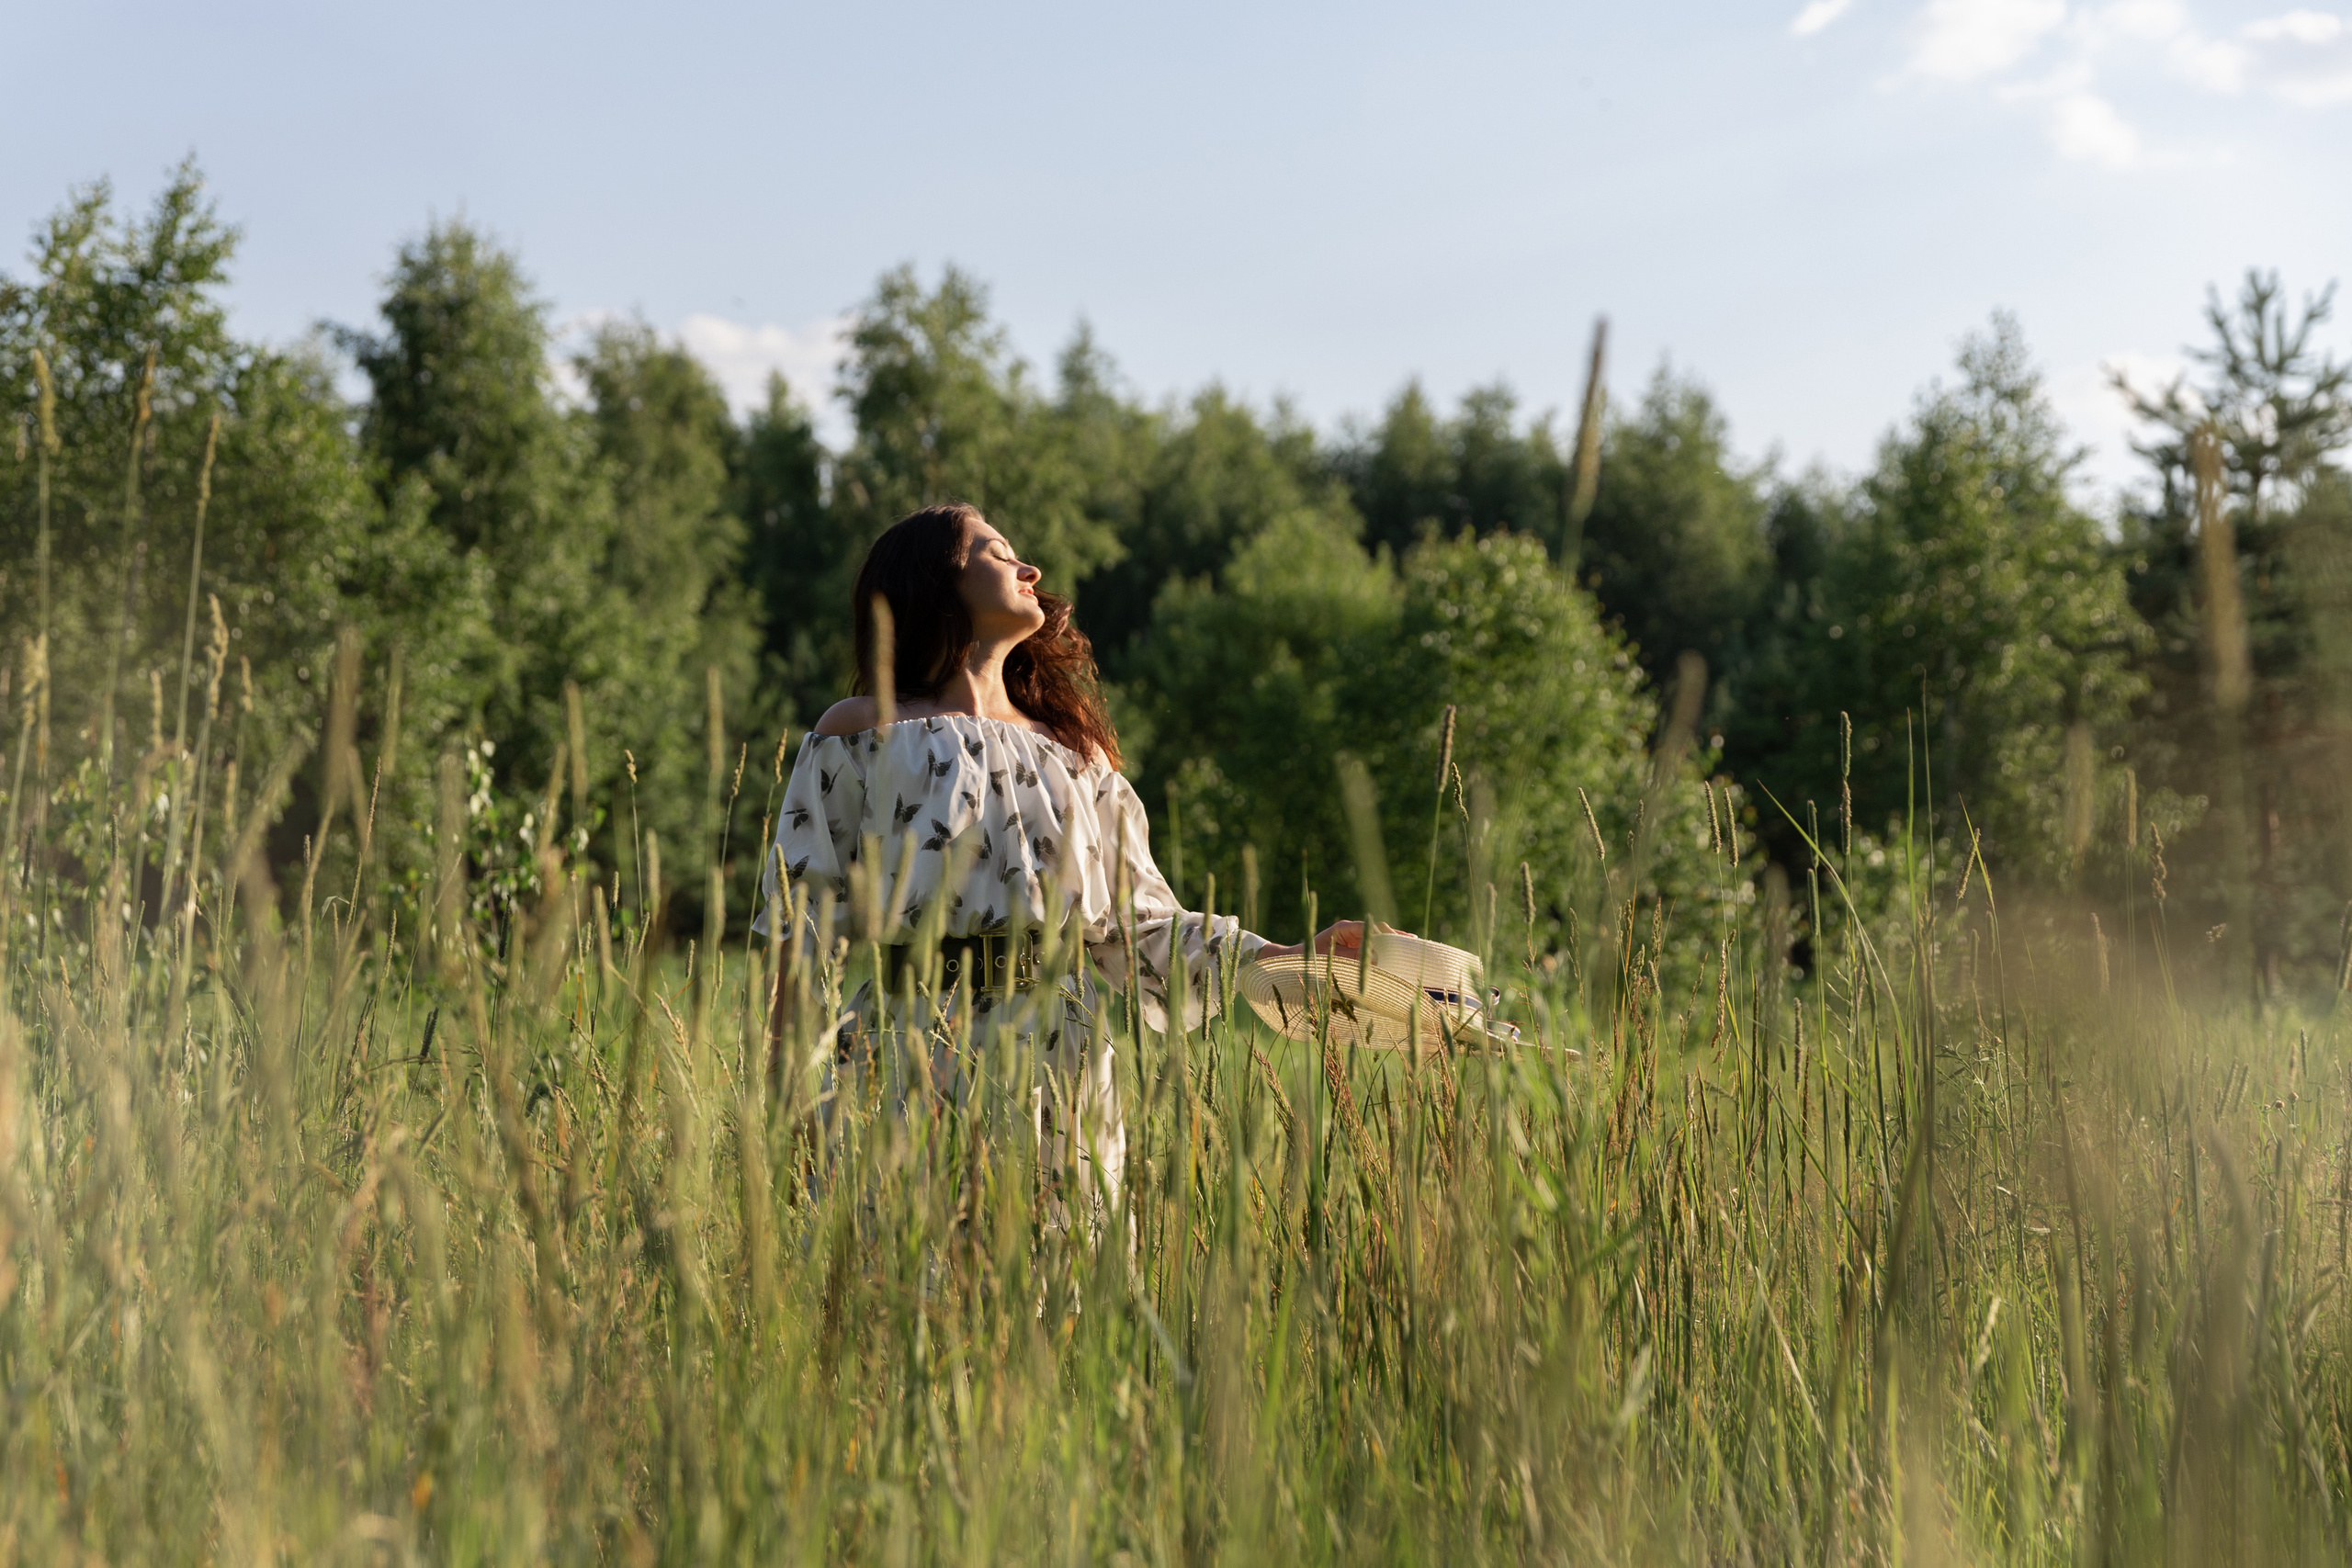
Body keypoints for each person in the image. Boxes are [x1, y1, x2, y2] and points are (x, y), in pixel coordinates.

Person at [758, 502, 1359, 1229]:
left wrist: (1290, 957)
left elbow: (1141, 928)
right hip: (905, 1049)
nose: (1029, 570)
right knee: (900, 1296)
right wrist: (784, 1106)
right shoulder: (860, 731)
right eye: (997, 551)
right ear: (933, 579)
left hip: (1060, 1067)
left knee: (1054, 1302)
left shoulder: (1078, 755)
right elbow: (800, 929)